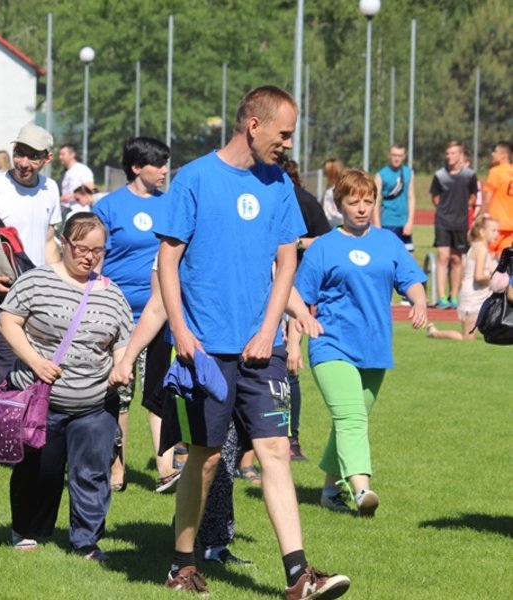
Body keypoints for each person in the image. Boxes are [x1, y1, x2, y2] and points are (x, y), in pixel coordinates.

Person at [155, 85, 349, 599]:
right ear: (254, 125)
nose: (288, 143)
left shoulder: (279, 184)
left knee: (276, 451)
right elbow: (168, 261)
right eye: (283, 133)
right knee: (206, 456)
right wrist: (181, 330)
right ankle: (181, 565)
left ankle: (298, 576)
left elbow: (286, 263)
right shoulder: (195, 178)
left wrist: (269, 331)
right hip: (205, 349)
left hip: (262, 350)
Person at [291, 168, 428, 518]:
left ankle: (329, 491)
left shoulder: (388, 242)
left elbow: (410, 279)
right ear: (339, 205)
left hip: (375, 348)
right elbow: (299, 298)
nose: (362, 208)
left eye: (368, 201)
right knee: (352, 417)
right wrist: (293, 344)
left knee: (349, 420)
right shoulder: (324, 247)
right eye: (354, 202)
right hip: (331, 345)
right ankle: (362, 488)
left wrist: (420, 302)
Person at [0, 212, 132, 560]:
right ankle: (28, 529)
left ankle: (86, 541)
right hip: (41, 400)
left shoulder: (113, 294)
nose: (89, 257)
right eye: (82, 248)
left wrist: (122, 367)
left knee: (92, 474)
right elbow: (8, 321)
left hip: (94, 403)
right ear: (65, 243)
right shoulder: (36, 281)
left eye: (97, 251)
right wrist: (35, 361)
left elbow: (121, 342)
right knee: (40, 472)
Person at [109, 268, 250, 565]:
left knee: (224, 452)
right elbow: (157, 305)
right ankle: (204, 542)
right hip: (191, 360)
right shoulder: (175, 252)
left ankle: (207, 536)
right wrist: (128, 359)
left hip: (241, 355)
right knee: (208, 451)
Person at [93, 136, 172, 492]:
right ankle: (117, 470)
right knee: (119, 394)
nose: (165, 170)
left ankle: (166, 469)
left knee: (159, 391)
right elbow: (95, 259)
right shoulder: (108, 207)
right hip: (119, 317)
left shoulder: (170, 205)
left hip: (160, 315)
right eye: (159, 164)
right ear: (137, 167)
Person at [0, 124, 61, 385]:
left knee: (40, 374)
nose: (24, 163)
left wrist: (59, 285)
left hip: (40, 296)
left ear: (47, 158)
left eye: (33, 156)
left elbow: (49, 242)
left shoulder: (51, 189)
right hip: (3, 296)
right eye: (20, 153)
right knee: (8, 372)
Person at [280, 157, 331, 462]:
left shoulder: (304, 200)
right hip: (263, 287)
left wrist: (296, 244)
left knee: (290, 365)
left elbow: (325, 240)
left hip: (296, 288)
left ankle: (292, 438)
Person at [426, 215, 499, 340]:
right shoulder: (481, 249)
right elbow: (479, 276)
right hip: (473, 297)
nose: (497, 234)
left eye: (497, 230)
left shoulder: (478, 247)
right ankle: (434, 333)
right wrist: (494, 280)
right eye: (493, 230)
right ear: (482, 232)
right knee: (467, 338)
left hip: (480, 296)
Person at [430, 140, 478, 309]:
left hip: (461, 223)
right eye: (447, 153)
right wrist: (445, 210)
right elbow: (435, 197)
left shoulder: (469, 175)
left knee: (457, 259)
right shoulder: (440, 175)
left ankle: (454, 296)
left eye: (453, 153)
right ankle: (442, 297)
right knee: (443, 257)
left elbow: (473, 196)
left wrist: (461, 209)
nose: (449, 156)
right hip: (443, 221)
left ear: (460, 155)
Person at [373, 144, 416, 253]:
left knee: (408, 257)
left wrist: (410, 222)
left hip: (404, 223)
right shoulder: (381, 175)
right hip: (388, 222)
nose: (397, 158)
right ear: (389, 155)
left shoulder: (409, 173)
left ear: (404, 156)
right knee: (388, 255)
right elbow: (375, 201)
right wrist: (377, 224)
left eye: (399, 155)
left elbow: (411, 197)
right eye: (394, 155)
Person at [483, 141, 513, 255]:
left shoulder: (496, 171)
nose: (492, 154)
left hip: (495, 225)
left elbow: (487, 199)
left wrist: (480, 217)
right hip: (511, 226)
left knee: (485, 255)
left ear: (503, 155)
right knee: (503, 259)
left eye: (495, 151)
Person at [59, 144, 94, 208]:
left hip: (79, 211)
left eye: (63, 154)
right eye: (60, 154)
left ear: (72, 155)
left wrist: (71, 196)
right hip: (66, 211)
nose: (60, 157)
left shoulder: (82, 169)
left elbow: (91, 188)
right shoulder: (65, 173)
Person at [320, 158, 344, 228]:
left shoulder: (331, 192)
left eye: (326, 173)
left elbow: (327, 213)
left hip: (334, 224)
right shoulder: (333, 189)